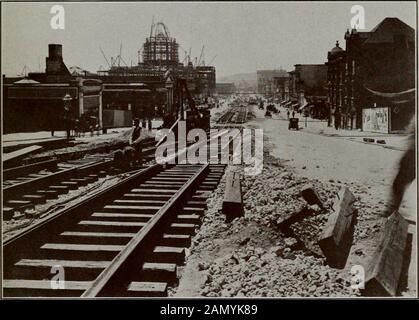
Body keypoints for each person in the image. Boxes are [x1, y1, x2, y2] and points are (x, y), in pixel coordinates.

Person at [386, 118, 415, 216]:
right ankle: (392, 210)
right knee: (399, 184)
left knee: (398, 184)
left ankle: (391, 211)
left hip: (413, 154)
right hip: (412, 152)